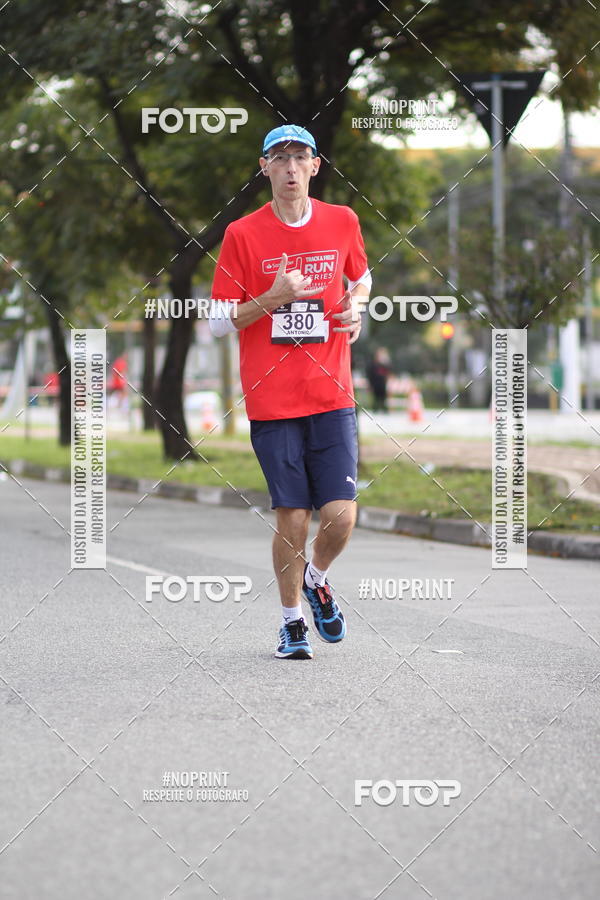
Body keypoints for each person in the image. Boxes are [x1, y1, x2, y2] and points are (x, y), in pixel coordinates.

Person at [209, 124, 371, 660]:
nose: (291, 167)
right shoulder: (242, 234)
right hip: (272, 400)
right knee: (293, 518)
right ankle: (291, 623)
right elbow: (215, 321)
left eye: (300, 157)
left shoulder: (342, 221)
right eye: (279, 159)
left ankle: (316, 578)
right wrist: (272, 296)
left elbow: (361, 277)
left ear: (316, 166)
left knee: (342, 516)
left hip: (332, 395)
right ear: (264, 169)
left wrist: (358, 306)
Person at [366, 346, 391, 412]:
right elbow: (370, 374)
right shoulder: (373, 364)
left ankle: (384, 408)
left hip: (383, 384)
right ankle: (375, 408)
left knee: (383, 398)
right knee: (376, 398)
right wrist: (370, 385)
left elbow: (388, 373)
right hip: (375, 384)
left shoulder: (385, 364)